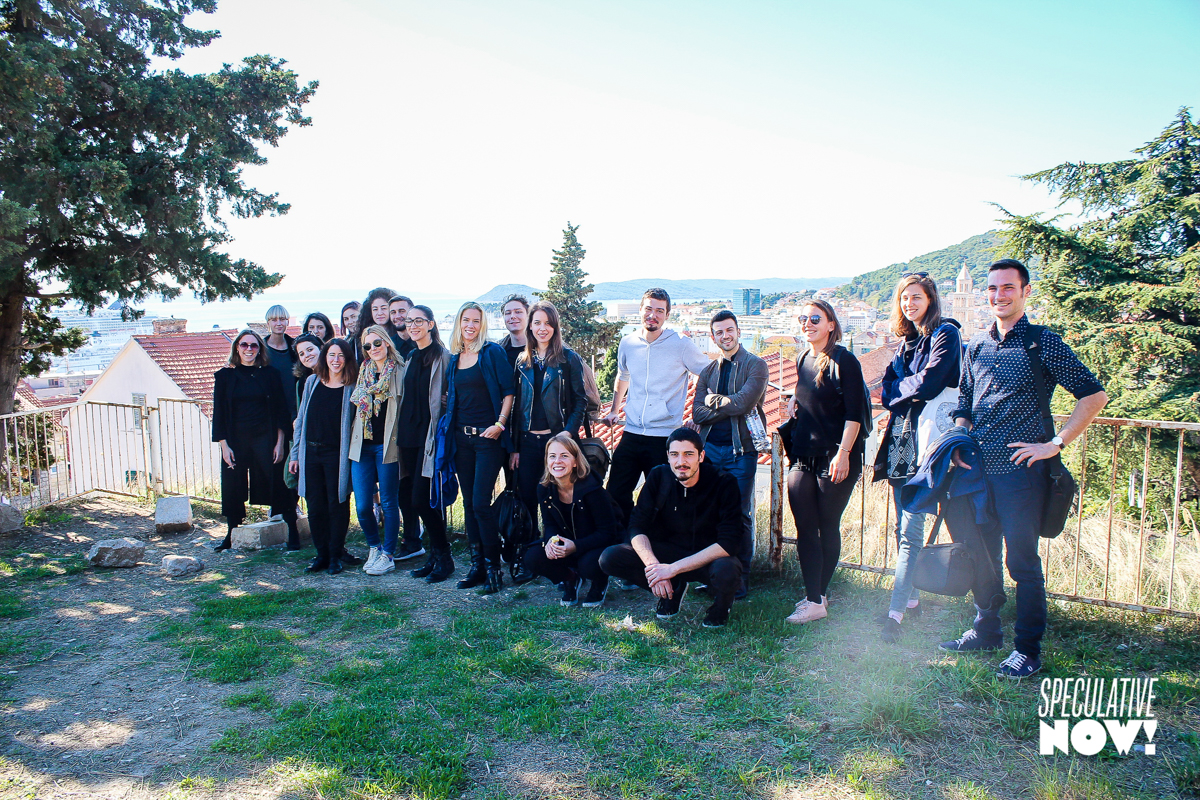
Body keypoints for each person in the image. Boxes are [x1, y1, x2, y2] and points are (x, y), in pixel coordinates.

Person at [944, 259, 1107, 679]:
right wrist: (959, 439)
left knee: (1022, 564)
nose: (999, 295)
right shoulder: (976, 346)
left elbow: (1093, 396)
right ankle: (986, 631)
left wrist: (1054, 444)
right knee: (983, 557)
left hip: (1021, 475)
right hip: (978, 473)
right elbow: (964, 403)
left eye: (1008, 288)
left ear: (1025, 291)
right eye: (993, 288)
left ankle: (1027, 650)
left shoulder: (1041, 343)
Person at [873, 273, 961, 643]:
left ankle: (894, 614)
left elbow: (930, 382)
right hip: (901, 441)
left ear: (931, 299)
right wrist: (904, 390)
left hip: (930, 444)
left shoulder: (946, 334)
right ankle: (910, 602)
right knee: (902, 527)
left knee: (911, 531)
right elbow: (885, 391)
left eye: (916, 297)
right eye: (904, 298)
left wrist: (901, 389)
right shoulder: (906, 343)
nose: (909, 304)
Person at [598, 428, 743, 627]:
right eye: (674, 454)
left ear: (701, 456)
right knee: (610, 557)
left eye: (688, 454)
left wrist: (671, 569)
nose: (681, 462)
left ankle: (721, 607)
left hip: (706, 557)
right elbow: (637, 526)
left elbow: (729, 543)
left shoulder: (723, 483)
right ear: (667, 457)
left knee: (727, 570)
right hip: (668, 551)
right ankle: (672, 589)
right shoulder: (659, 476)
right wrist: (655, 568)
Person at [781, 300, 865, 625]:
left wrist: (843, 454)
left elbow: (855, 414)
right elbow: (810, 393)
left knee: (827, 525)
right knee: (805, 528)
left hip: (836, 456)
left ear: (831, 324)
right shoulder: (804, 358)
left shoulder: (845, 360)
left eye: (815, 318)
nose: (808, 323)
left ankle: (817, 598)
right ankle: (815, 596)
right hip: (803, 454)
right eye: (803, 318)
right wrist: (794, 397)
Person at [602, 288, 709, 523]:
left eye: (660, 311)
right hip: (631, 432)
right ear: (640, 310)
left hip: (664, 436)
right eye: (649, 309)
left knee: (662, 500)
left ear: (667, 315)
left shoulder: (681, 344)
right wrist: (614, 410)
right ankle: (626, 539)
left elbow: (709, 374)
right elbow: (623, 376)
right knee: (615, 494)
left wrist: (699, 414)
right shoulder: (628, 343)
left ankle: (656, 542)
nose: (653, 315)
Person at [690, 310, 768, 600]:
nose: (726, 336)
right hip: (709, 451)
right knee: (710, 514)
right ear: (713, 337)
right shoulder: (708, 371)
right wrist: (726, 403)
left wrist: (714, 400)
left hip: (741, 452)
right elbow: (697, 413)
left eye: (729, 330)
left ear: (738, 331)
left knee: (739, 516)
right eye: (720, 332)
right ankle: (713, 576)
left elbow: (743, 404)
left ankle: (739, 580)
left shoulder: (756, 365)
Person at [445, 302, 515, 593]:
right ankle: (476, 566)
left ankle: (493, 567)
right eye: (466, 320)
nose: (470, 325)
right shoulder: (454, 358)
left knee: (480, 504)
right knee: (468, 505)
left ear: (482, 324)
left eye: (476, 320)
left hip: (489, 440)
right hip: (462, 440)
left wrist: (500, 424)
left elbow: (509, 392)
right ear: (459, 323)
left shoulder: (492, 352)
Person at [509, 301, 588, 528]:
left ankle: (561, 544)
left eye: (548, 323)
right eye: (537, 323)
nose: (542, 328)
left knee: (558, 500)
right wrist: (515, 448)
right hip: (527, 443)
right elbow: (516, 407)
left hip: (557, 441)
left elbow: (580, 400)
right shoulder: (522, 361)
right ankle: (531, 546)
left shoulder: (568, 359)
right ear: (530, 326)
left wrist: (567, 434)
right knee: (527, 499)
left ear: (555, 327)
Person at [210, 330, 289, 552]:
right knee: (232, 484)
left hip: (265, 437)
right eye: (244, 345)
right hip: (235, 439)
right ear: (237, 347)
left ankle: (290, 528)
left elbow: (281, 410)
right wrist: (224, 446)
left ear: (259, 349)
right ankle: (231, 532)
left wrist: (280, 442)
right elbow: (219, 413)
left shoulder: (270, 375)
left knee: (276, 479)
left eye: (254, 345)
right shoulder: (224, 377)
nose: (249, 349)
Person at [523, 432, 621, 607]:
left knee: (587, 565)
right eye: (552, 456)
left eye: (564, 456)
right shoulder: (544, 489)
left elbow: (608, 533)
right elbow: (549, 523)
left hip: (595, 545)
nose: (557, 461)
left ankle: (599, 582)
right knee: (532, 557)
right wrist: (550, 542)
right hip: (566, 544)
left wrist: (575, 546)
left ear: (575, 461)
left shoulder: (593, 490)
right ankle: (570, 578)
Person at [289, 339, 359, 575]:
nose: (336, 360)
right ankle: (321, 554)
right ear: (324, 357)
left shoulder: (352, 387)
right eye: (331, 355)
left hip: (337, 455)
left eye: (341, 355)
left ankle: (336, 554)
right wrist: (295, 454)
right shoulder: (312, 382)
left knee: (337, 503)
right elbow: (301, 421)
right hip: (310, 452)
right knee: (315, 505)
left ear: (347, 359)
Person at [399, 305, 455, 582]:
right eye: (409, 321)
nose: (413, 325)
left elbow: (453, 392)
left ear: (431, 324)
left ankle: (444, 556)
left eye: (419, 321)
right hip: (407, 437)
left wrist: (448, 401)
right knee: (415, 498)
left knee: (423, 499)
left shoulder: (443, 357)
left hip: (429, 436)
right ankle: (435, 556)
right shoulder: (411, 356)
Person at [348, 324, 405, 576]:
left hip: (388, 445)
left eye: (377, 343)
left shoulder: (400, 371)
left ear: (387, 342)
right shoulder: (363, 372)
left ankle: (388, 554)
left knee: (389, 502)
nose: (373, 348)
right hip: (362, 445)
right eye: (368, 345)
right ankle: (374, 546)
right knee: (362, 505)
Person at [360, 287, 401, 356]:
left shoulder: (400, 336)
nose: (379, 313)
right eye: (375, 309)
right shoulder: (366, 336)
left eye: (383, 308)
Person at [292, 333, 324, 411]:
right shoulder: (301, 382)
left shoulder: (335, 375)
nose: (306, 355)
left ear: (321, 348)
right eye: (301, 354)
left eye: (310, 350)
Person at [498, 294, 530, 369]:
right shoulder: (497, 352)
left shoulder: (542, 350)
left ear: (528, 315)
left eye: (518, 312)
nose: (513, 316)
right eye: (508, 313)